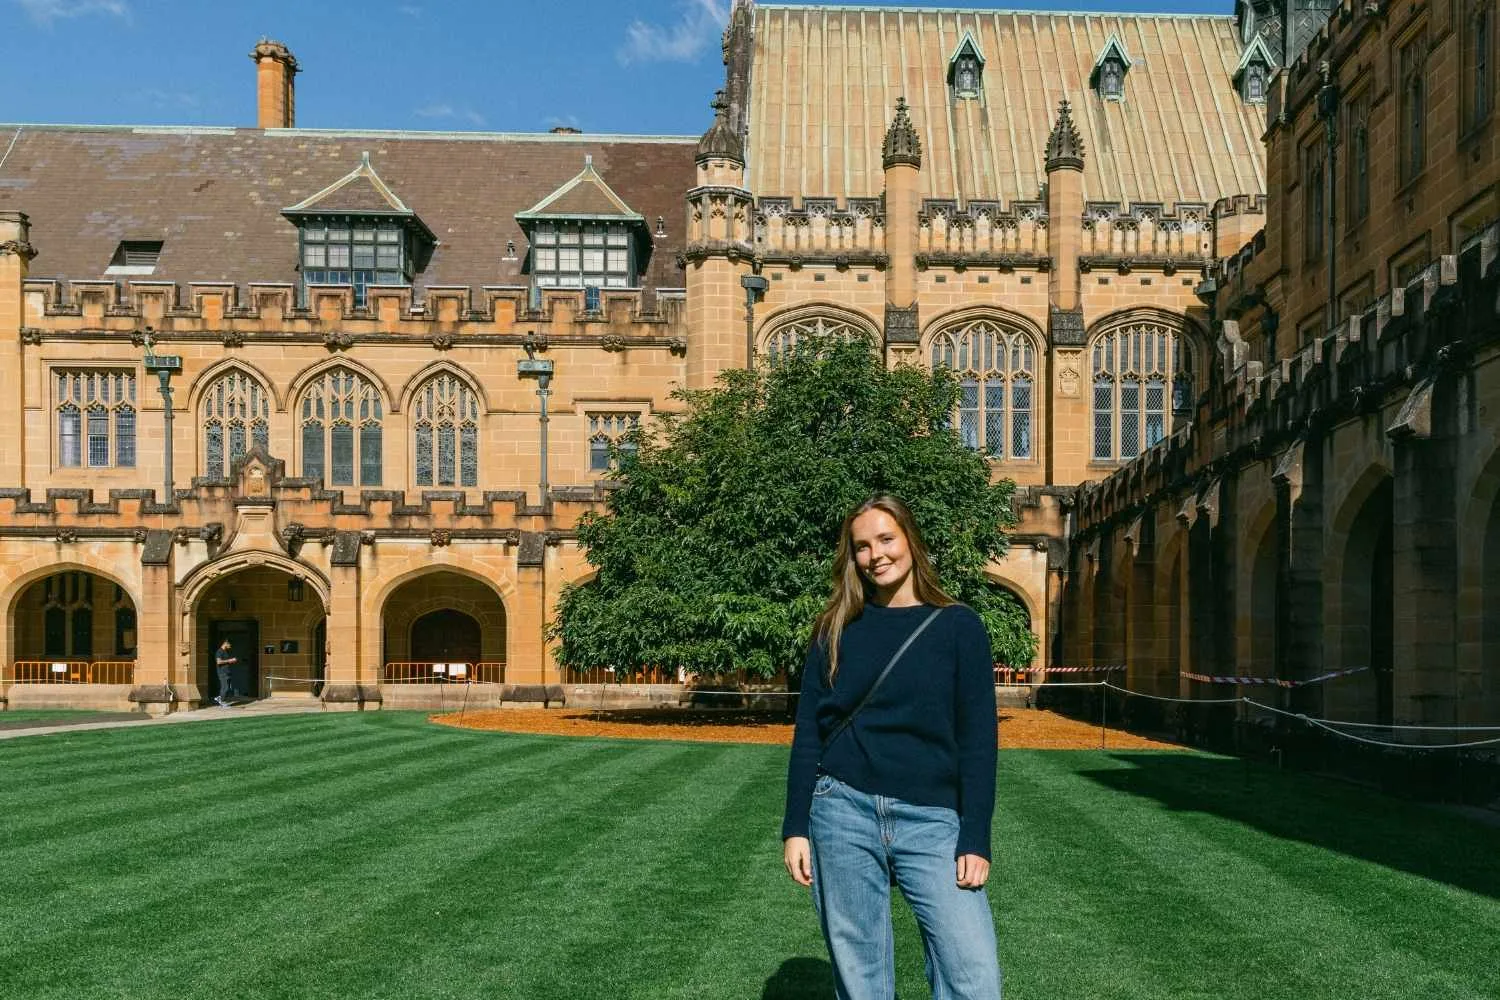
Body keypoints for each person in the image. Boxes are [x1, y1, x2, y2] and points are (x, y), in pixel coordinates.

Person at [782, 494, 1001, 999]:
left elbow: (979, 741)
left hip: (932, 820)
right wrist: (796, 827)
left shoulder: (958, 626)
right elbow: (808, 734)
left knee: (973, 975)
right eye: (862, 546)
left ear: (910, 540)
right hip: (841, 813)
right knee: (861, 977)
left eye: (886, 539)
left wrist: (976, 835)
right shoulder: (833, 629)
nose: (876, 554)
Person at [215, 639, 238, 707]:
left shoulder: (225, 651)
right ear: (225, 643)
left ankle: (220, 699)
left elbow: (225, 662)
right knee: (225, 687)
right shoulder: (219, 652)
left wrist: (231, 661)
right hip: (222, 672)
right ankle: (221, 701)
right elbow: (218, 662)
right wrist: (229, 660)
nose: (230, 646)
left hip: (227, 672)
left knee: (227, 688)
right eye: (229, 645)